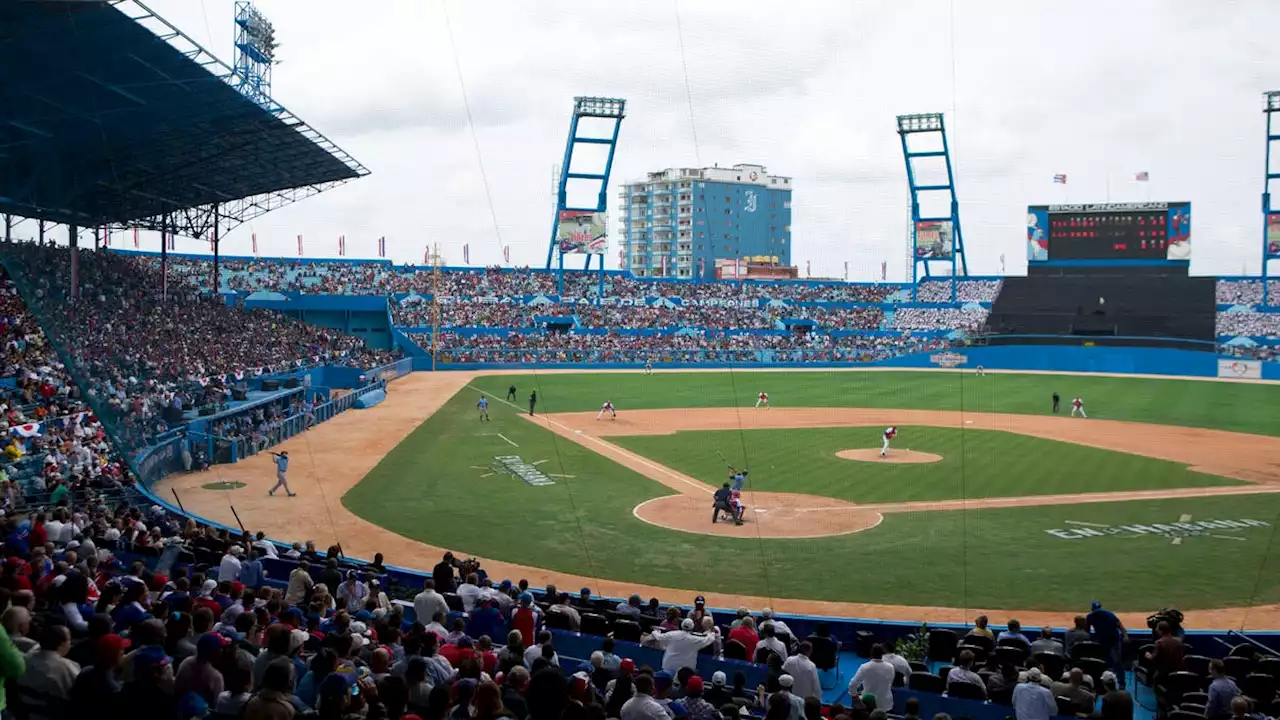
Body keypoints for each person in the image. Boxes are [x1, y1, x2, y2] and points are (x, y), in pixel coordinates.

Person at [643, 619, 715, 673]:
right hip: (685, 671)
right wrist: (711, 633)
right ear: (692, 627)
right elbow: (708, 639)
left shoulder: (672, 634)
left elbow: (659, 637)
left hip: (669, 666)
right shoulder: (695, 640)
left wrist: (655, 631)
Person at [1086, 601, 1127, 689]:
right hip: (1113, 640)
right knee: (1117, 662)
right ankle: (1120, 683)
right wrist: (1125, 635)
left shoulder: (1090, 616)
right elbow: (1120, 626)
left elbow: (1087, 631)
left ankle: (1106, 683)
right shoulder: (1109, 613)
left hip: (1104, 641)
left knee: (1106, 662)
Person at [848, 645, 894, 713]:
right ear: (882, 654)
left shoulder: (864, 667)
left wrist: (855, 696)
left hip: (868, 705)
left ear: (871, 654)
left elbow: (852, 685)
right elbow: (890, 683)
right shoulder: (891, 667)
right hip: (886, 704)